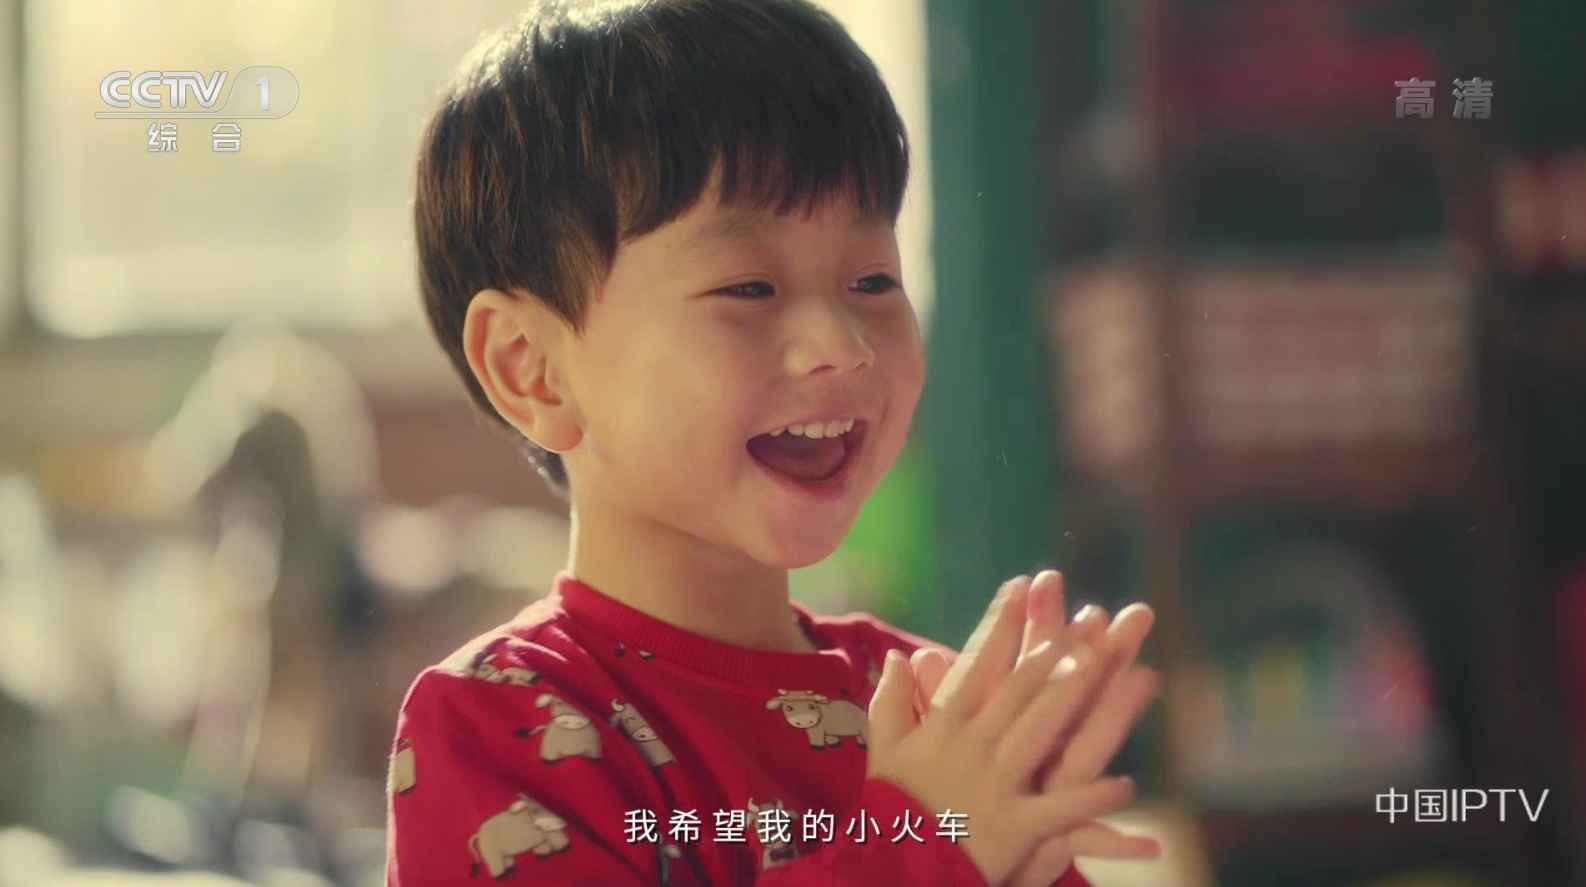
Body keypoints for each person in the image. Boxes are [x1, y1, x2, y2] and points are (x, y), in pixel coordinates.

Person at [387, 1, 1161, 884]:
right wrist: (922, 846)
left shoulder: (924, 706)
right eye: (749, 287)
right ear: (532, 369)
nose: (844, 344)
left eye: (873, 279)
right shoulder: (495, 723)